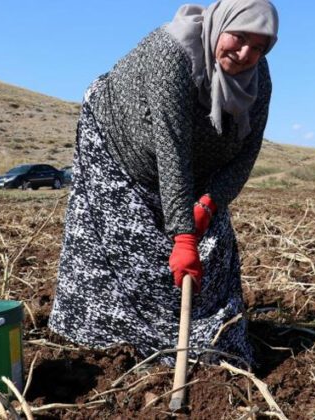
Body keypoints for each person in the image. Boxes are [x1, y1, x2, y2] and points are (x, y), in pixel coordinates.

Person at [48, 0, 278, 367]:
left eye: (260, 46)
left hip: (201, 170)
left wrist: (208, 203)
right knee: (134, 252)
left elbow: (246, 154)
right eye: (239, 37)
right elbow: (171, 147)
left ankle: (212, 345)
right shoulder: (171, 52)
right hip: (119, 148)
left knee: (212, 254)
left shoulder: (258, 78)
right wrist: (183, 236)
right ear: (220, 25)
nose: (246, 52)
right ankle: (120, 347)